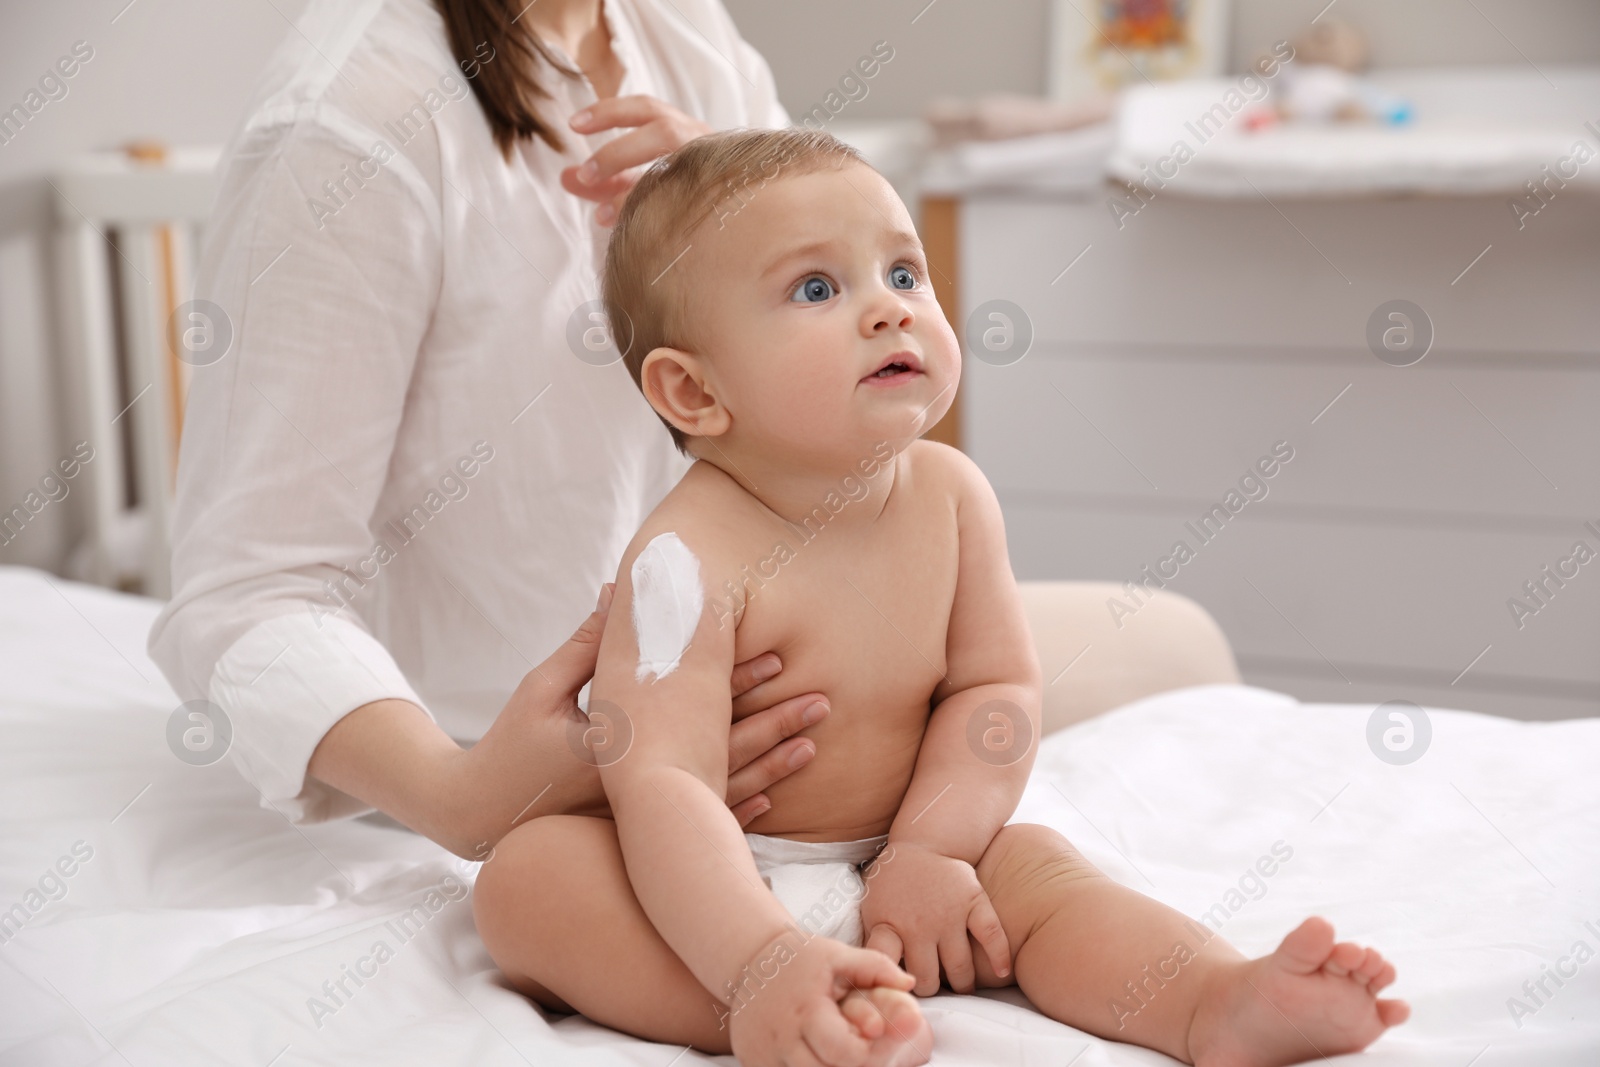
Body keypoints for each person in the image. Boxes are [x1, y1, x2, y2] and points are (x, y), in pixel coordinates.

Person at [471, 127, 1411, 1067]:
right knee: (527, 880)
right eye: (817, 289)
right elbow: (664, 782)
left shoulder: (953, 498)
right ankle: (781, 1001)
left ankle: (1212, 1000)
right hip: (720, 883)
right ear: (694, 389)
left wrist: (929, 850)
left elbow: (993, 691)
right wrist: (755, 951)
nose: (889, 311)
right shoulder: (685, 553)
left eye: (904, 274)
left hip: (918, 857)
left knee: (1039, 867)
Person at [147, 0, 828, 858]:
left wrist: (758, 215)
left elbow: (836, 392)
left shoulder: (686, 34)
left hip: (735, 704)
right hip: (479, 769)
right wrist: (464, 797)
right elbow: (245, 593)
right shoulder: (348, 122)